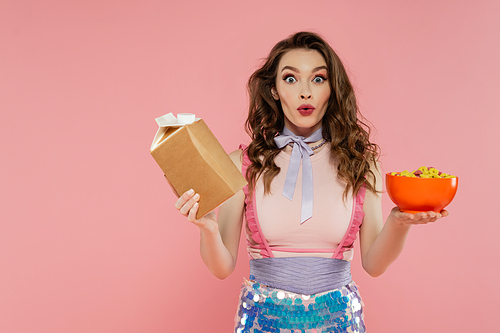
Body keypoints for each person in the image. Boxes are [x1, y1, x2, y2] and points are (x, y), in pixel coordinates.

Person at [174, 31, 449, 333]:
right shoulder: (241, 163)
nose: (305, 92)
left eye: (318, 79)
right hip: (262, 323)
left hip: (339, 323)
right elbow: (221, 267)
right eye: (290, 79)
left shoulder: (362, 163)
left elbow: (374, 264)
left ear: (332, 89)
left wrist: (399, 222)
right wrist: (208, 227)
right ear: (275, 90)